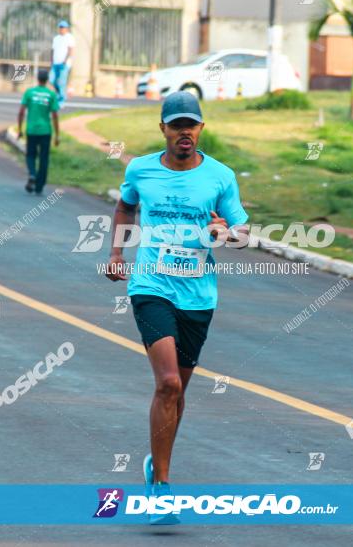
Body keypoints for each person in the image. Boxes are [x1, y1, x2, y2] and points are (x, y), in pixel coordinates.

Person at [105, 91, 250, 525]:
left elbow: (241, 233)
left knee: (179, 391)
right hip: (151, 285)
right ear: (163, 129)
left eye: (192, 124)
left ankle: (156, 463)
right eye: (176, 125)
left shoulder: (221, 177)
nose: (184, 131)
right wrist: (116, 255)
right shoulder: (141, 169)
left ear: (201, 129)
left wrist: (226, 233)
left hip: (198, 295)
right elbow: (124, 206)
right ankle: (161, 490)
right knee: (168, 383)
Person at [17, 68, 59, 195]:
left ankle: (32, 174)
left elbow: (21, 112)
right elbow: (55, 115)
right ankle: (39, 186)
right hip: (46, 131)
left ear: (37, 78)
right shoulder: (51, 95)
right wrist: (57, 135)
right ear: (47, 80)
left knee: (30, 155)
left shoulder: (29, 92)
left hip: (32, 130)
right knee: (44, 158)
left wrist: (20, 129)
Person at [50, 20, 75, 109]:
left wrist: (65, 60)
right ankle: (59, 94)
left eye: (63, 27)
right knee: (52, 80)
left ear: (67, 28)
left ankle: (61, 100)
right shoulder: (56, 38)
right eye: (60, 27)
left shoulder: (69, 37)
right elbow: (52, 50)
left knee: (62, 82)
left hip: (64, 64)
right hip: (55, 63)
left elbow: (70, 50)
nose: (61, 29)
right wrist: (51, 61)